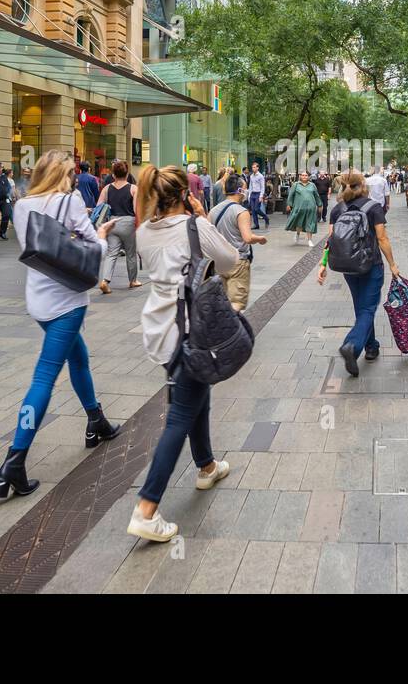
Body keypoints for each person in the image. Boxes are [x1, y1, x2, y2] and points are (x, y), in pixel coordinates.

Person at [0, 150, 120, 500]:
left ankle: (97, 421)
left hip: (38, 299)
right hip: (67, 300)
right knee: (44, 377)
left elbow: (37, 248)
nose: (73, 178)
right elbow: (94, 248)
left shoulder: (21, 206)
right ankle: (14, 461)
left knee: (78, 358)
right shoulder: (70, 201)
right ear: (63, 175)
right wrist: (101, 231)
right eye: (70, 173)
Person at [128, 165, 240, 542]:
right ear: (186, 194)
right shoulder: (195, 227)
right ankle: (147, 507)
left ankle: (207, 465)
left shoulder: (144, 231)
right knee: (179, 416)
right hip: (192, 330)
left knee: (194, 395)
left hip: (159, 330)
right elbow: (230, 262)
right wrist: (203, 218)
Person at [316, 170, 401, 377]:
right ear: (363, 185)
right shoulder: (374, 207)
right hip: (371, 265)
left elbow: (330, 240)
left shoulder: (337, 210)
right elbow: (382, 239)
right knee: (368, 309)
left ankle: (371, 347)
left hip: (348, 267)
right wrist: (392, 265)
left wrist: (323, 264)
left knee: (361, 308)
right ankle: (352, 346)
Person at [210, 172, 267, 309]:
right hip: (238, 262)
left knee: (222, 302)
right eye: (245, 189)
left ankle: (224, 325)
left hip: (218, 261)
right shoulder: (241, 211)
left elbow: (208, 236)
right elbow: (247, 238)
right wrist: (260, 238)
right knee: (237, 303)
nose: (246, 192)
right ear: (240, 191)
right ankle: (231, 328)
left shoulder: (213, 211)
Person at [94, 159, 142, 292]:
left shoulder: (107, 188)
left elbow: (99, 207)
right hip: (128, 222)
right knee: (131, 253)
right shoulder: (133, 188)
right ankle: (133, 280)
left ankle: (105, 280)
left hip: (112, 223)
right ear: (127, 174)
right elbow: (136, 209)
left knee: (111, 253)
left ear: (113, 175)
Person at [284, 170, 320, 246]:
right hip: (299, 208)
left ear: (308, 176)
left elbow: (316, 196)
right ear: (300, 176)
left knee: (310, 224)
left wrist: (319, 205)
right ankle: (297, 234)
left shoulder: (312, 185)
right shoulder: (296, 185)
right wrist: (289, 205)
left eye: (306, 175)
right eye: (302, 175)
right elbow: (291, 195)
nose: (304, 177)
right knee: (299, 223)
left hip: (311, 208)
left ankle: (310, 240)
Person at [247, 162, 267, 230]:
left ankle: (266, 217)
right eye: (252, 167)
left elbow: (262, 187)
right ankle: (256, 225)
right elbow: (250, 186)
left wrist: (261, 196)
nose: (253, 168)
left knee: (257, 209)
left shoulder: (260, 176)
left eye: (255, 167)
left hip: (258, 194)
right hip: (252, 194)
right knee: (253, 210)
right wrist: (249, 195)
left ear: (258, 168)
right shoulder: (251, 176)